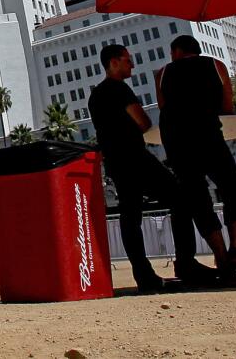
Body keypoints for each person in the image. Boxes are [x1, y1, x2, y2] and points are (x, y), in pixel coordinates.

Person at [87, 45, 219, 292]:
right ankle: (186, 262)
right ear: (113, 62)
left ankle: (143, 273)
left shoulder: (95, 96)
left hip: (115, 161)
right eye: (127, 60)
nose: (132, 65)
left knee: (130, 215)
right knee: (180, 199)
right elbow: (143, 121)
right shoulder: (119, 89)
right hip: (135, 156)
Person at [156, 34, 236, 280]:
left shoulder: (163, 74)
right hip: (208, 135)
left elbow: (163, 106)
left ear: (177, 51)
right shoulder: (216, 66)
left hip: (177, 142)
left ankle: (221, 255)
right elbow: (228, 105)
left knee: (198, 199)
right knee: (232, 190)